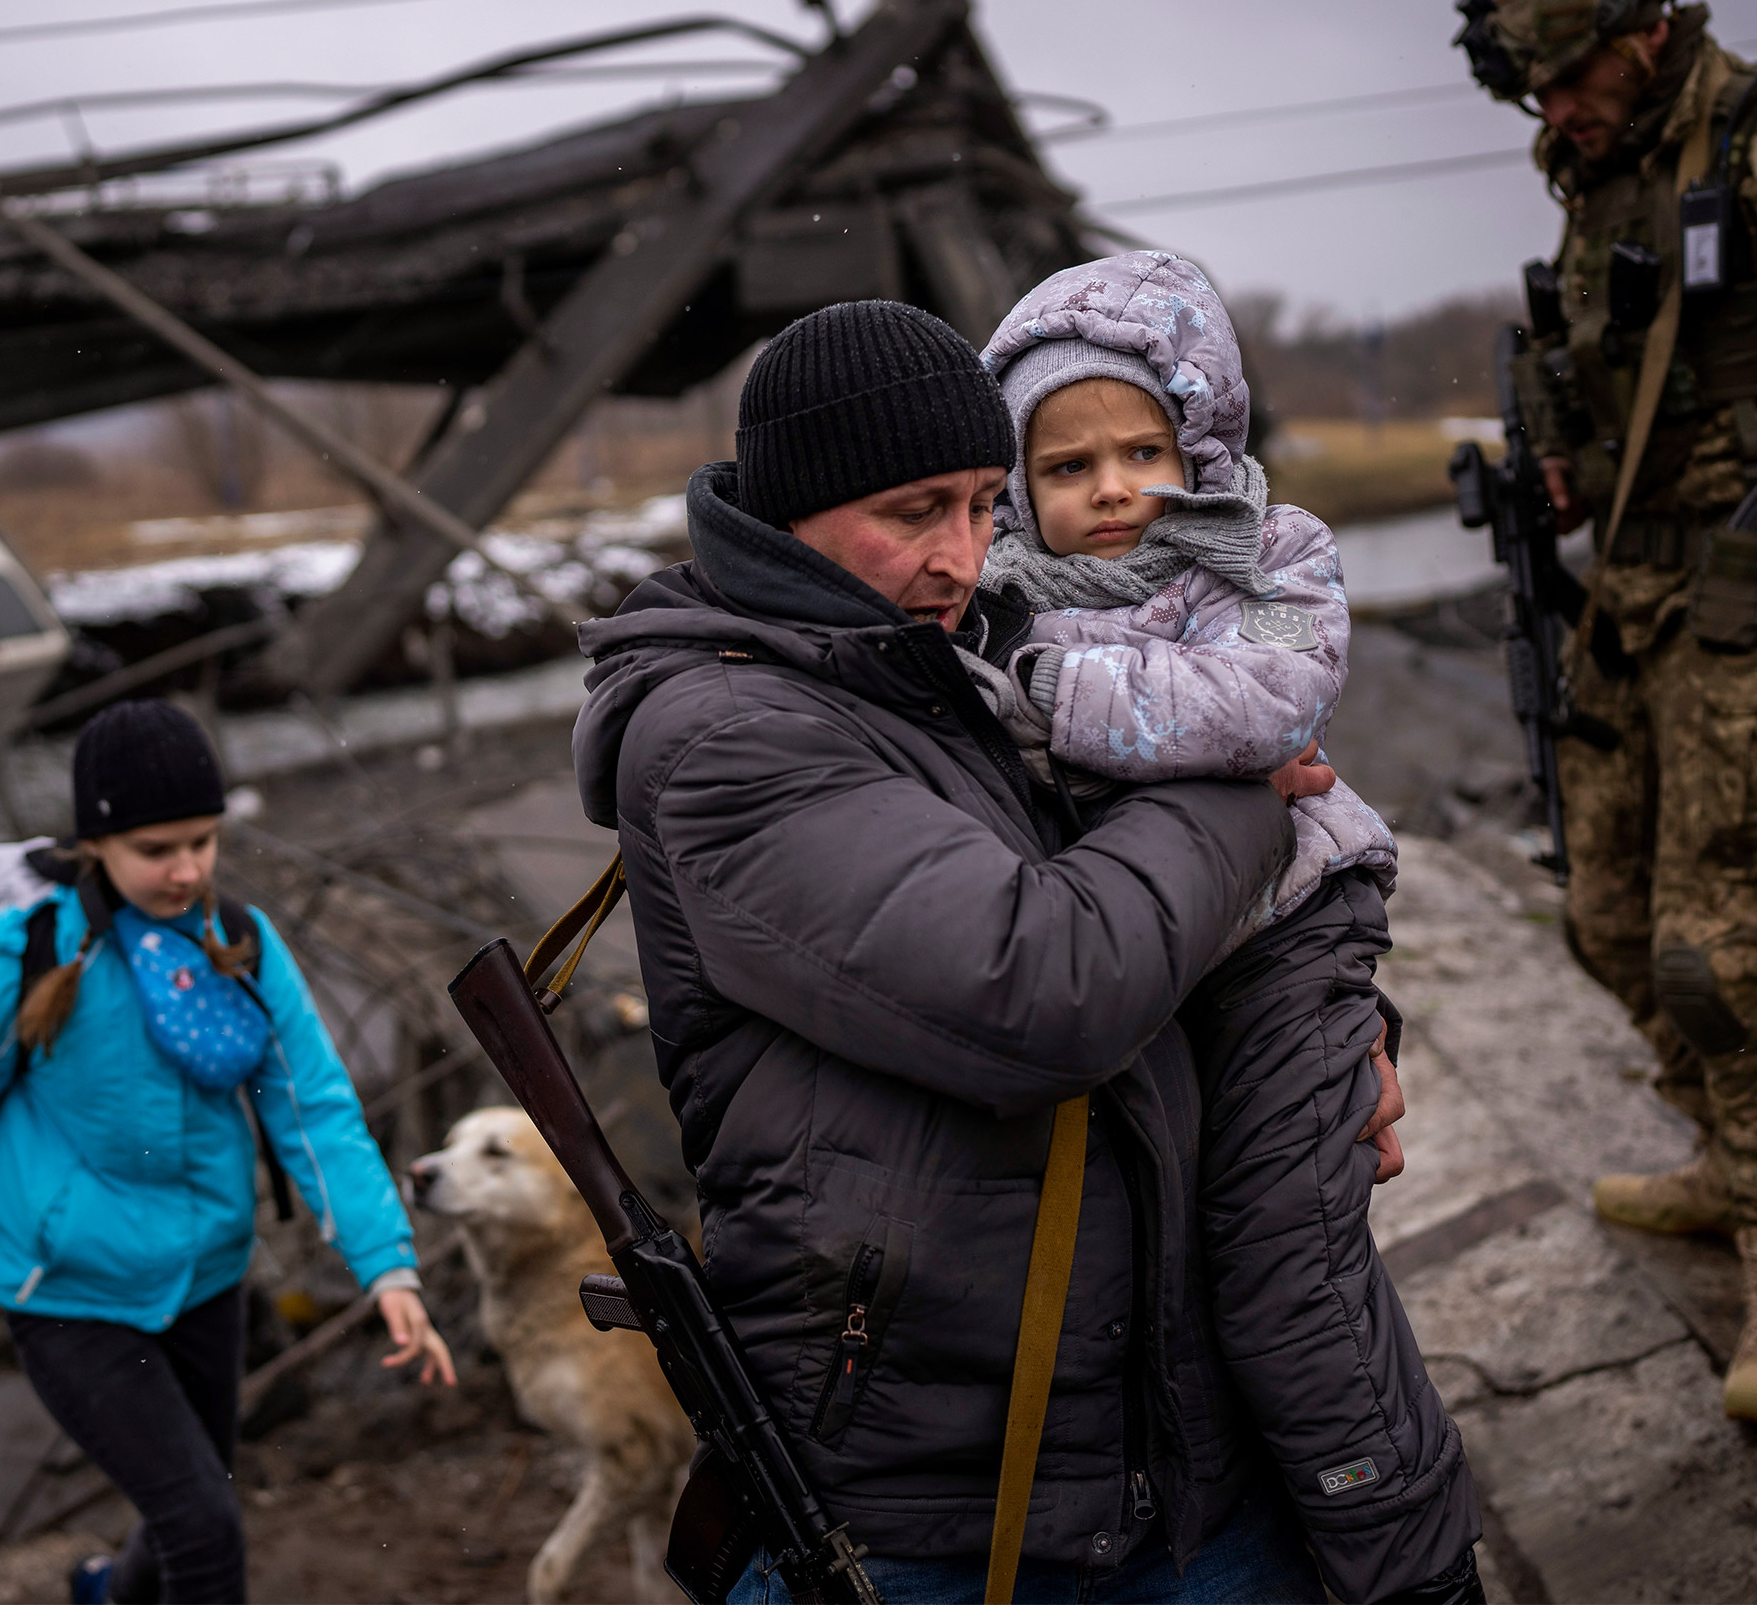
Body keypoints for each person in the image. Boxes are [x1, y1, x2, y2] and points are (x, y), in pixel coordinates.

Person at [573, 299, 1361, 1603]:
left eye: (987, 502)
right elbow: (1047, 983)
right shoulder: (724, 730)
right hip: (935, 1500)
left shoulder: (940, 655)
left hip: (1148, 1441)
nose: (962, 553)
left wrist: (1335, 1042)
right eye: (914, 509)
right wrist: (1242, 776)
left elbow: (1156, 930)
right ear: (792, 513)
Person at [963, 252, 1480, 1605]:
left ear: (1199, 439)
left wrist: (1049, 691)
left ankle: (1406, 1548)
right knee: (1170, 1274)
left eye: (1143, 447)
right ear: (1019, 484)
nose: (1115, 487)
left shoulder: (1269, 553)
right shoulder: (998, 596)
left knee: (1282, 1265)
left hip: (1293, 931)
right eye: (1068, 465)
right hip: (1156, 953)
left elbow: (1259, 707)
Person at [1457, 0, 1757, 1424]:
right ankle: (1734, 1148)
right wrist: (1564, 471)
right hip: (1640, 604)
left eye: (1570, 76)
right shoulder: (1597, 175)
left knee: (1710, 945)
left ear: (1647, 39)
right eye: (1532, 85)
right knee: (1601, 906)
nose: (1553, 109)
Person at [0, 700, 454, 1605]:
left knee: (185, 1507)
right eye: (158, 849)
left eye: (204, 840)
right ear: (97, 846)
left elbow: (316, 1112)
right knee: (203, 1528)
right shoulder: (32, 955)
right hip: (69, 1291)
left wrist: (387, 1266)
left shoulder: (240, 943)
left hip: (207, 1278)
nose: (187, 870)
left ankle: (105, 1594)